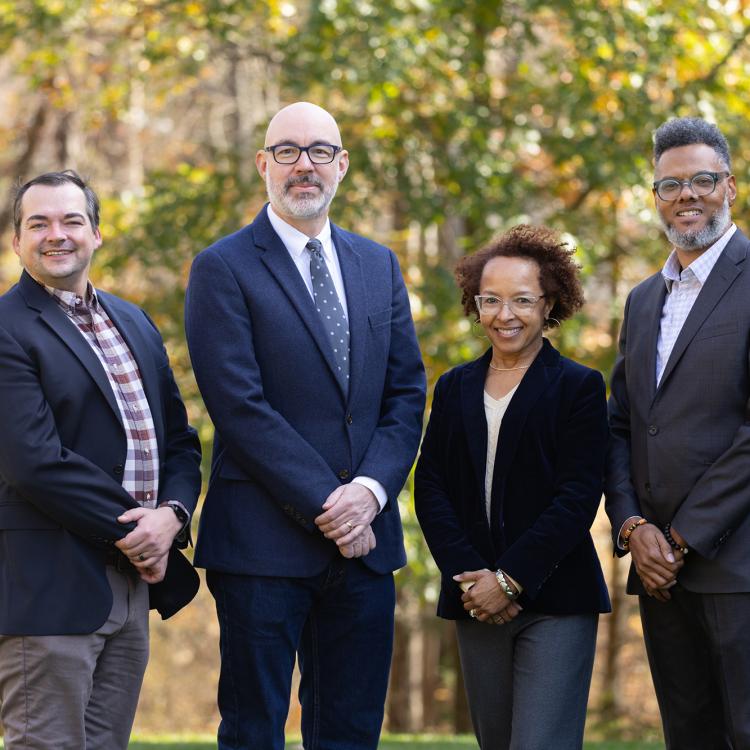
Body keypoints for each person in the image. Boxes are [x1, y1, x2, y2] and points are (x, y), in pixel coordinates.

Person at [184, 101, 426, 750]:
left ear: (341, 165)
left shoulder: (378, 265)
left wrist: (369, 493)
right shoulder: (223, 267)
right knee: (254, 731)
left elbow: (406, 394)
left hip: (365, 547)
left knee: (351, 733)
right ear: (262, 164)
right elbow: (239, 407)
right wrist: (331, 505)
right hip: (261, 544)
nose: (304, 165)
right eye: (287, 151)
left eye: (319, 151)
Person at [0, 170, 201, 750]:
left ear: (96, 234)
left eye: (71, 221)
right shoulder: (7, 328)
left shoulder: (133, 321)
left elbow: (180, 441)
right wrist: (137, 532)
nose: (56, 235)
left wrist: (172, 516)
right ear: (17, 240)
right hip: (49, 585)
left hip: (132, 586)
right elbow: (34, 461)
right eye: (39, 223)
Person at [414, 225, 610, 750]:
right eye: (491, 300)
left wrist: (509, 580)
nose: (506, 315)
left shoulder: (579, 386)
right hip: (475, 598)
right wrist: (473, 580)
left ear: (550, 304)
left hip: (556, 599)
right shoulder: (453, 386)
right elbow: (430, 487)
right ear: (474, 304)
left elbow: (577, 498)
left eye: (522, 300)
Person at [606, 116, 750, 748]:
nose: (686, 195)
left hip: (738, 566)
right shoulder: (643, 300)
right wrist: (633, 527)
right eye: (671, 185)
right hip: (659, 575)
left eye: (702, 180)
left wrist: (682, 536)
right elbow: (621, 425)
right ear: (656, 197)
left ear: (730, 187)